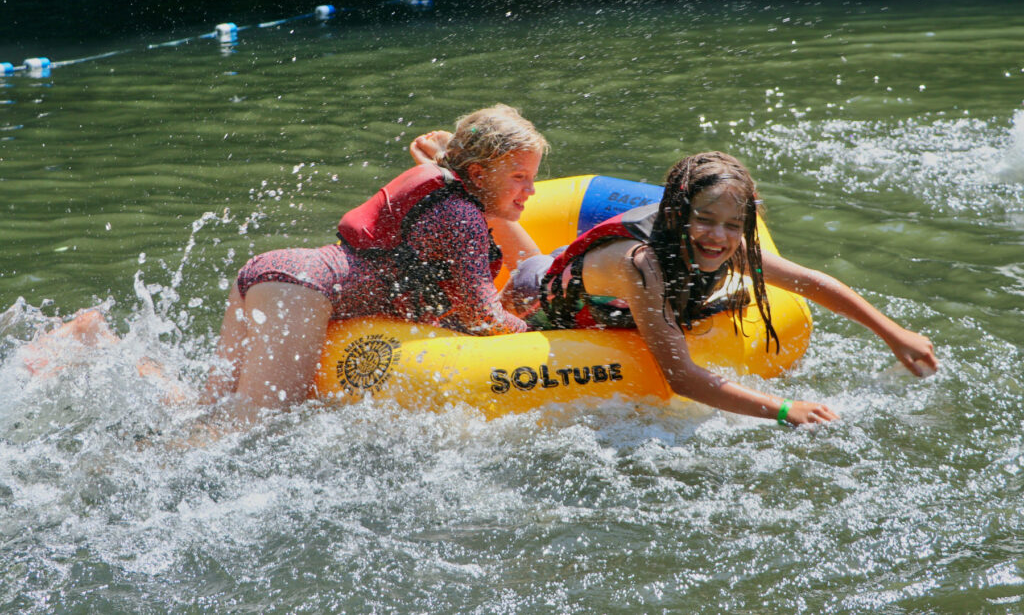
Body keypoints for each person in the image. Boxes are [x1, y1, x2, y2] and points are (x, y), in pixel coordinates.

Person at [519, 151, 939, 426]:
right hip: (539, 288)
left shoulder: (723, 240)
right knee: (516, 286)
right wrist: (785, 409)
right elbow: (680, 378)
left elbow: (809, 281)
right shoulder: (643, 264)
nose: (717, 236)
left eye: (732, 225)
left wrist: (893, 334)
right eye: (704, 219)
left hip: (612, 297)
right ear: (676, 214)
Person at [203, 104, 549, 419]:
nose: (531, 190)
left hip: (279, 276)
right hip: (299, 291)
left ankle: (150, 378)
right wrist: (539, 331)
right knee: (255, 428)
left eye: (532, 178)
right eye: (519, 177)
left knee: (208, 413)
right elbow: (483, 317)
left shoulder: (445, 194)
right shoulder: (461, 216)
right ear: (476, 173)